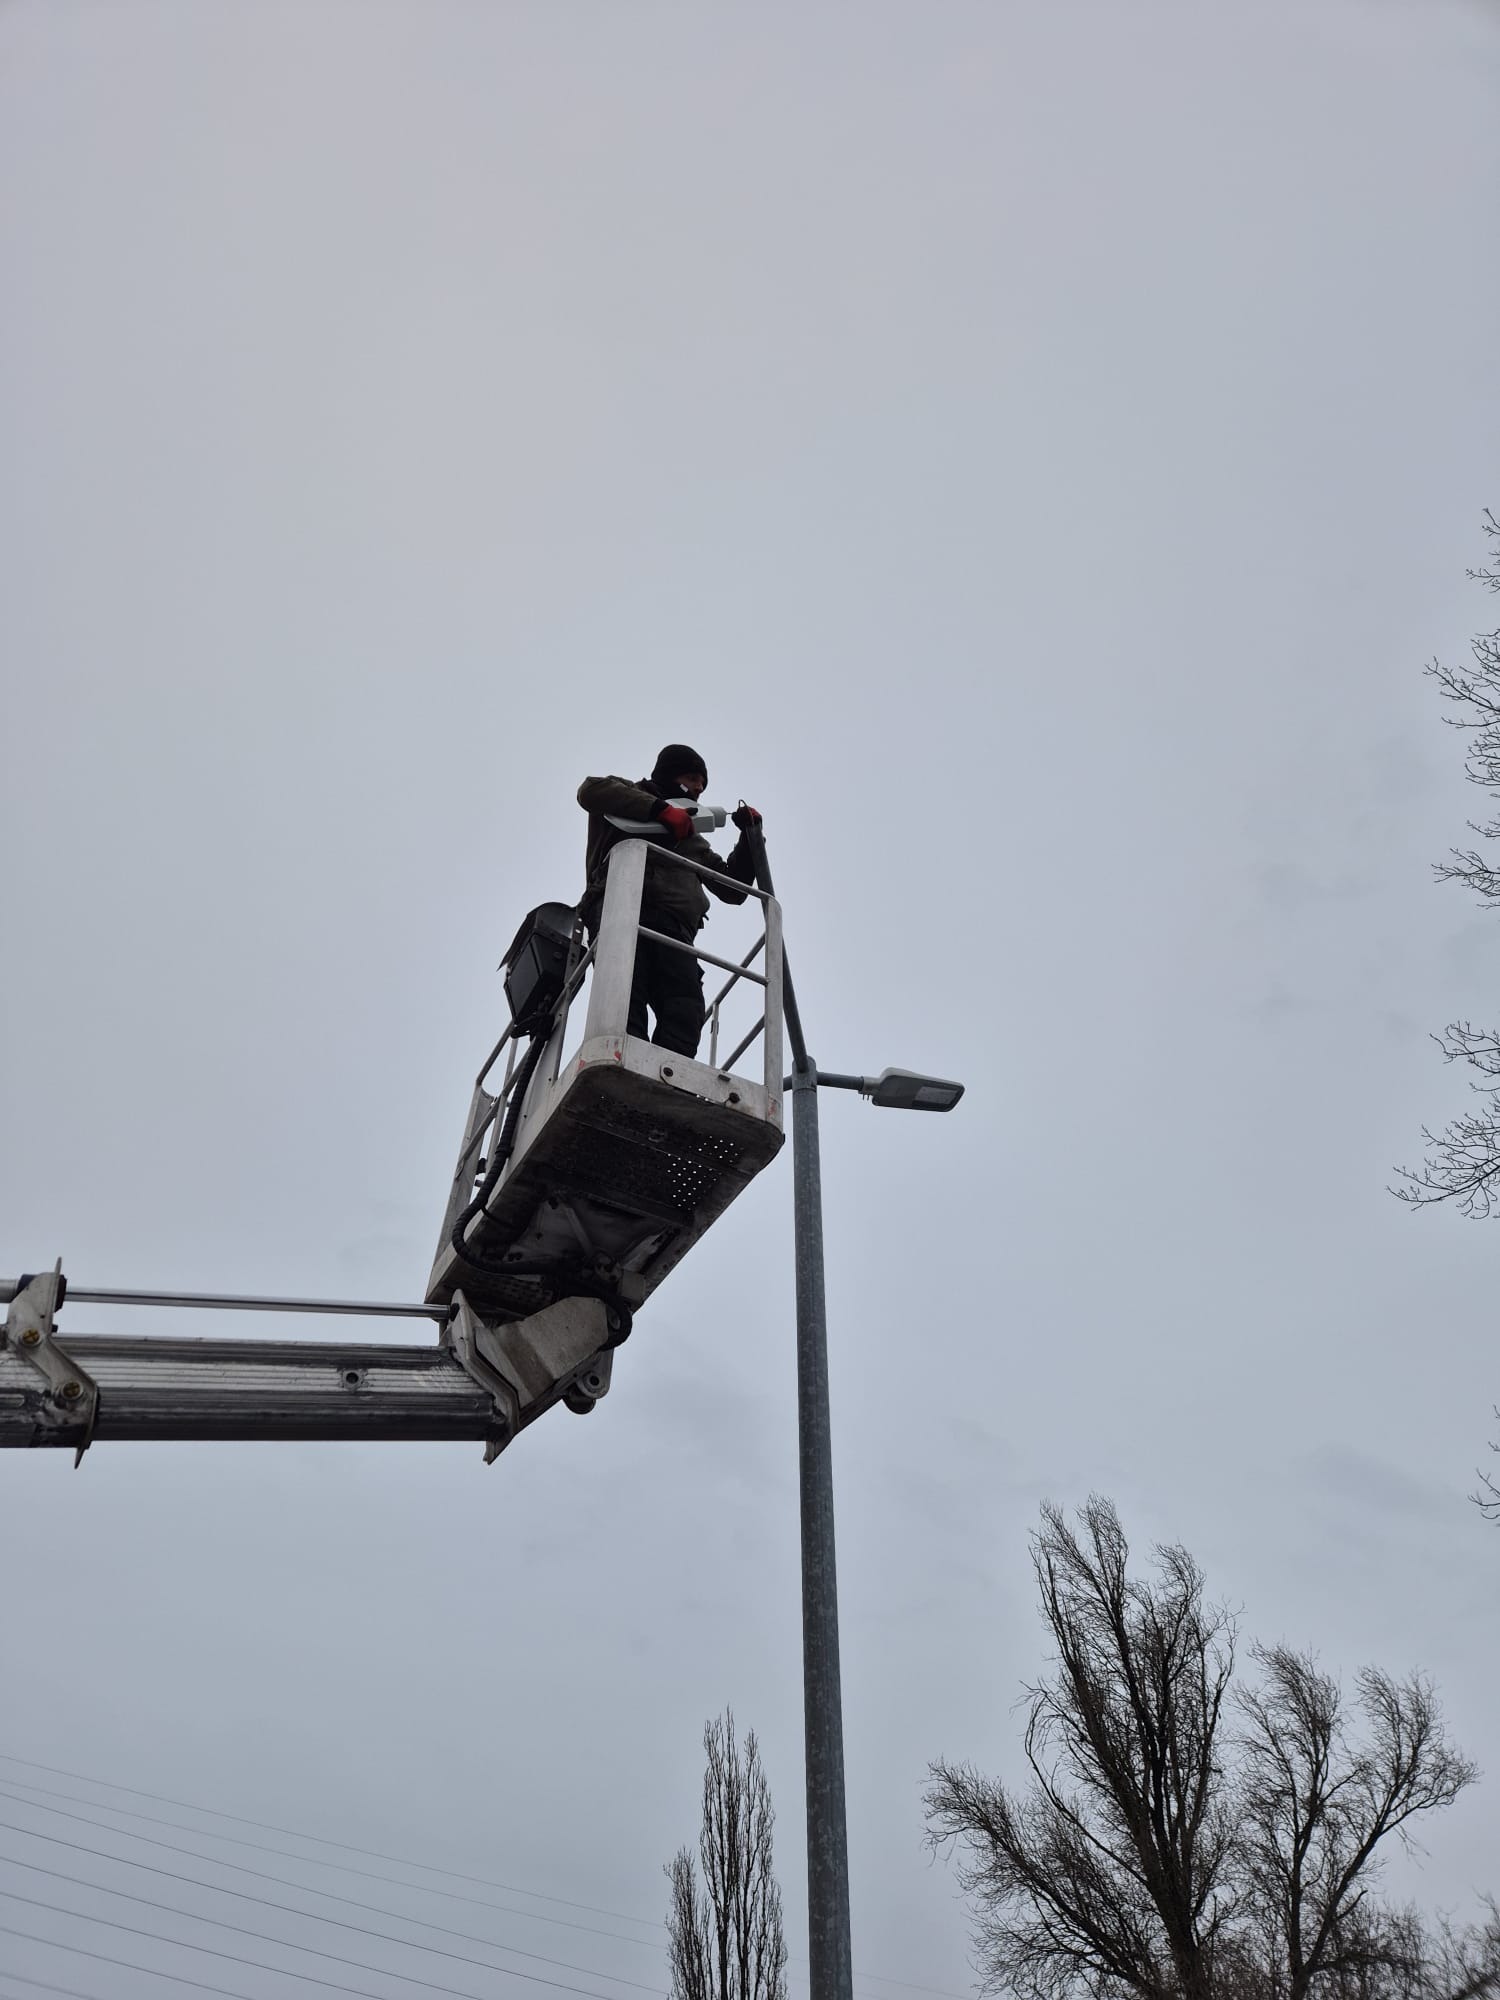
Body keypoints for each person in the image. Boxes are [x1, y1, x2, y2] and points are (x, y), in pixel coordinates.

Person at [577, 745, 763, 1059]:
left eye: (702, 784)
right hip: (621, 914)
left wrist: (750, 838)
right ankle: (623, 1070)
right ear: (670, 774)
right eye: (692, 778)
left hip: (675, 931)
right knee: (625, 1001)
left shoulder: (692, 840)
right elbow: (590, 790)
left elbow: (734, 889)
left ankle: (665, 1075)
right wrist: (659, 811)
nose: (698, 789)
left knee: (685, 1008)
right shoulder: (624, 796)